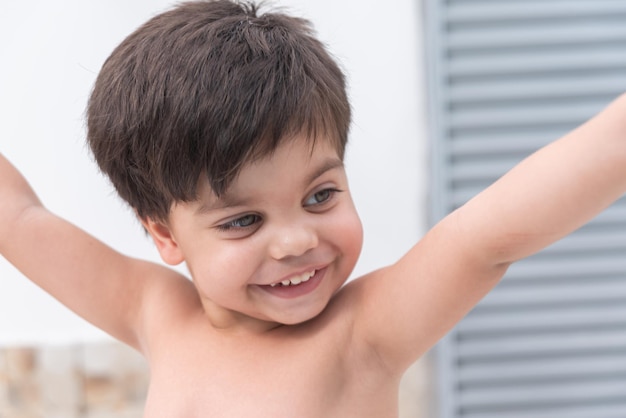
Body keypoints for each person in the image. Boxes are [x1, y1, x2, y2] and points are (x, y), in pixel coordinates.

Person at [1, 1, 625, 416]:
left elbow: (487, 237)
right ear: (165, 235)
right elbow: (20, 221)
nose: (296, 240)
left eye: (320, 196)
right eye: (244, 220)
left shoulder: (364, 333)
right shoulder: (157, 313)